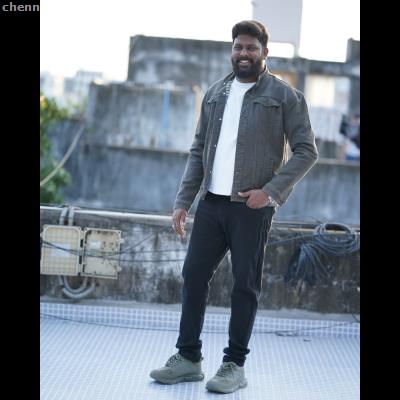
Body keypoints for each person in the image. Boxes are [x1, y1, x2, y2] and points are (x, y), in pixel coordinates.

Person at [150, 20, 318, 394]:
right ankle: (188, 358)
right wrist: (183, 201)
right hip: (211, 204)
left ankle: (234, 365)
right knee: (193, 275)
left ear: (264, 53)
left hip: (251, 208)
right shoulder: (216, 93)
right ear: (232, 50)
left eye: (251, 48)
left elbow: (307, 151)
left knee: (244, 286)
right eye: (238, 47)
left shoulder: (284, 96)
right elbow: (198, 150)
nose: (244, 53)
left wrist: (270, 192)